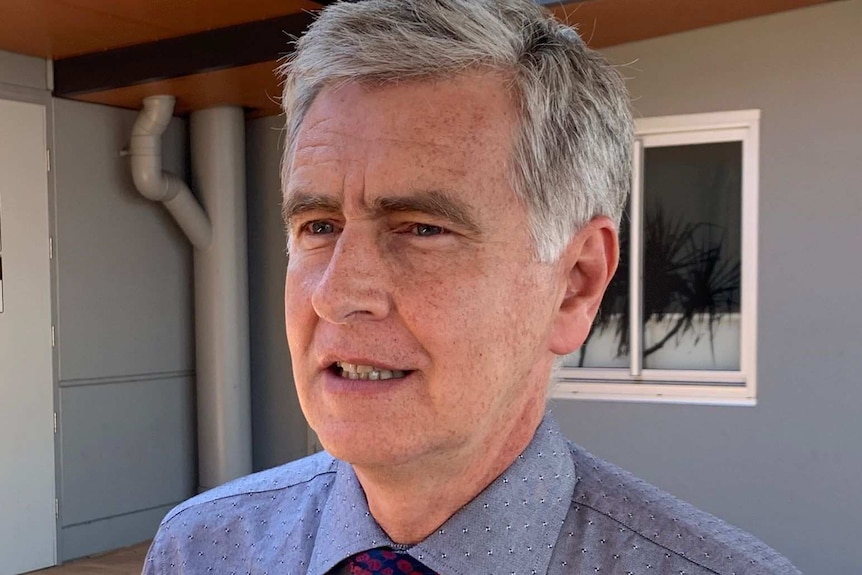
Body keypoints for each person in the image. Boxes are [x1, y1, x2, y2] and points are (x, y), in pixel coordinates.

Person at [143, 1, 801, 574]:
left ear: (575, 284)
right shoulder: (200, 550)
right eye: (319, 224)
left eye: (421, 228)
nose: (337, 293)